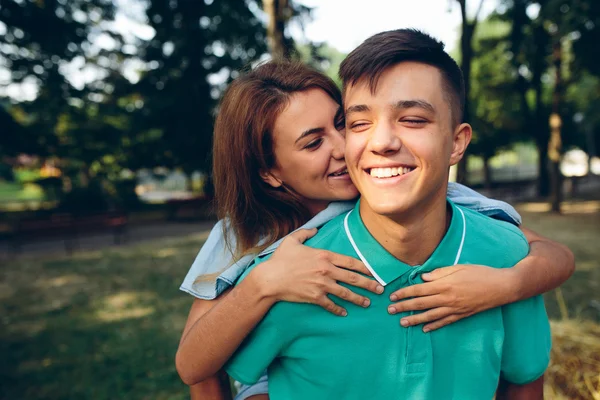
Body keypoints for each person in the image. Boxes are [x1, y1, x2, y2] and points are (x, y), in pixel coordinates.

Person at [176, 58, 573, 398]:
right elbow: (197, 367)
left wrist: (506, 285)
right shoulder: (243, 234)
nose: (341, 146)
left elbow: (551, 255)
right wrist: (265, 281)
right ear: (270, 172)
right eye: (313, 143)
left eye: (343, 123)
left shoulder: (424, 193)